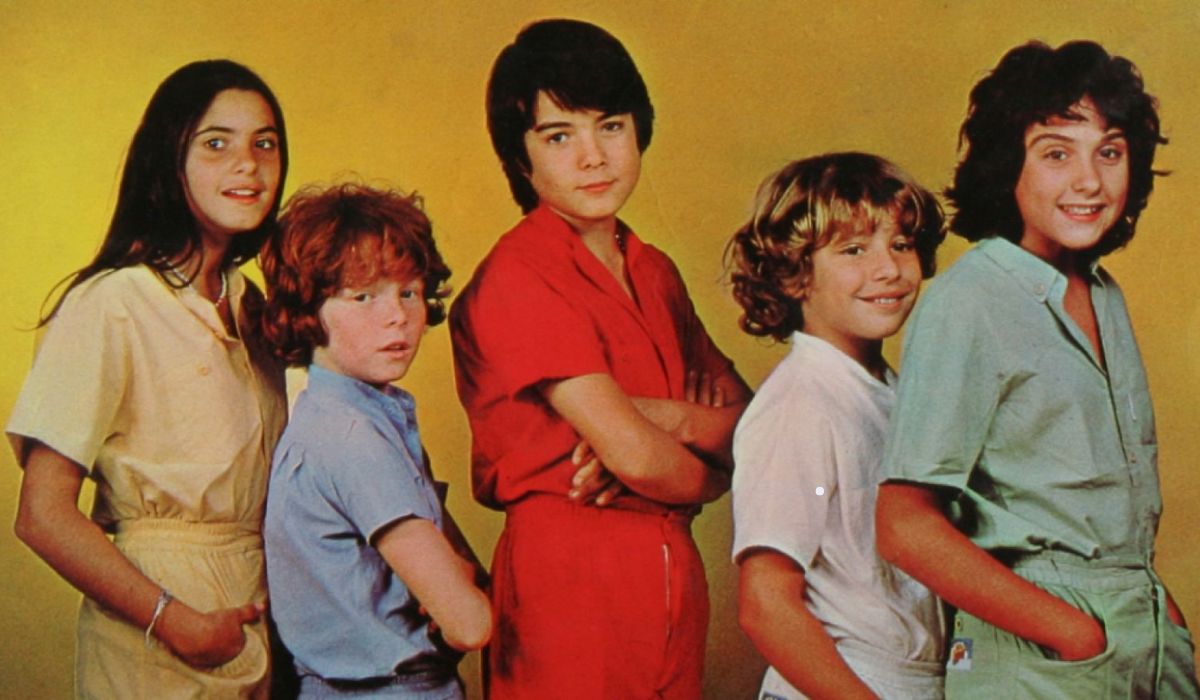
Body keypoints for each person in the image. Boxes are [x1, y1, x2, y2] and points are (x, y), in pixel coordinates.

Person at [875, 40, 1200, 698]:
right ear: (1008, 165)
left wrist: (1161, 618)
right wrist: (1073, 633)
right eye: (1056, 153)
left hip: (1143, 638)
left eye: (1109, 152)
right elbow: (904, 523)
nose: (1089, 181)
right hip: (1039, 651)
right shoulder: (970, 299)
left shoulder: (1104, 294)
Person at [451, 18, 752, 699]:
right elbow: (637, 458)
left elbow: (754, 428)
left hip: (674, 570)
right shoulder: (519, 275)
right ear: (520, 157)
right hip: (571, 578)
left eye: (610, 126)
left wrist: (666, 419)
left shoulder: (654, 269)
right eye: (559, 136)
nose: (593, 157)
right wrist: (707, 474)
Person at [9, 59, 288, 698]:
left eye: (265, 143)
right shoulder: (113, 302)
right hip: (156, 629)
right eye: (215, 143)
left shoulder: (256, 310)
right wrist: (179, 623)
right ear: (169, 160)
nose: (247, 165)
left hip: (257, 618)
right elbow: (42, 515)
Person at [728, 153, 946, 700]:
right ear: (794, 274)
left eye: (901, 244)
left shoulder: (886, 392)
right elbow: (766, 603)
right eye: (854, 250)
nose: (889, 269)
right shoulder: (801, 402)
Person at [259, 182, 491, 698]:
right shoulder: (352, 437)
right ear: (309, 310)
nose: (397, 316)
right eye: (363, 296)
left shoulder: (343, 417)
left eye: (409, 291)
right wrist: (462, 593)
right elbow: (469, 624)